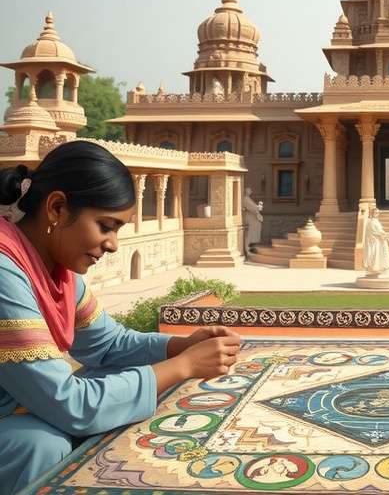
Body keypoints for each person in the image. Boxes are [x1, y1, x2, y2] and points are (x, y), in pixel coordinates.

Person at [0, 141, 242, 495]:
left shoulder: (58, 271)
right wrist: (182, 367)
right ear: (57, 208)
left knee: (115, 378)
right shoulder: (6, 271)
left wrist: (180, 346)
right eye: (105, 226)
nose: (112, 244)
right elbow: (70, 404)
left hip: (18, 404)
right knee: (41, 443)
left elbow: (108, 345)